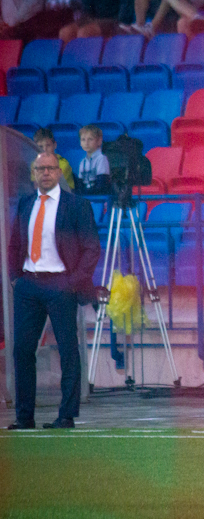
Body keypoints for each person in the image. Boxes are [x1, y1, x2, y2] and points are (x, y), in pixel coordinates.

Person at [6, 153, 101, 430]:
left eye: (50, 168)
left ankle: (66, 416)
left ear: (59, 173)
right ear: (33, 174)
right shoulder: (26, 203)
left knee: (68, 350)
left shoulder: (77, 206)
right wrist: (15, 278)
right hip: (28, 285)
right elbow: (14, 245)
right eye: (40, 169)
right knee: (22, 350)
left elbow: (91, 248)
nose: (45, 173)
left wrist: (72, 282)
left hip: (61, 284)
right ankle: (24, 417)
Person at [75, 125, 111, 196]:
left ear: (99, 141)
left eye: (90, 139)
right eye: (83, 140)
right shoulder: (83, 162)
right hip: (86, 196)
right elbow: (80, 184)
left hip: (99, 197)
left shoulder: (101, 159)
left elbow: (102, 185)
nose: (86, 143)